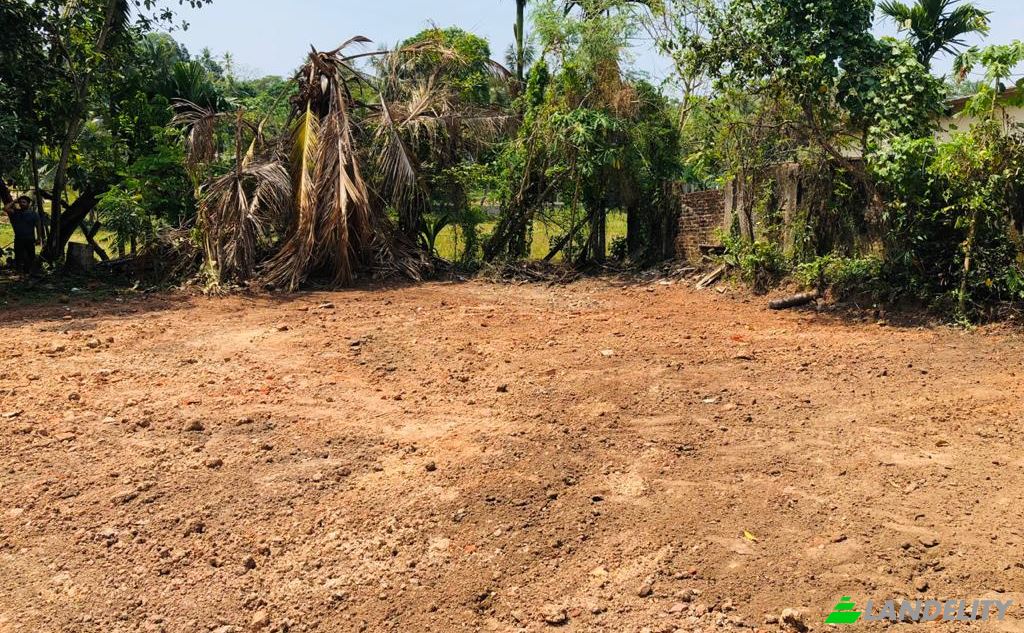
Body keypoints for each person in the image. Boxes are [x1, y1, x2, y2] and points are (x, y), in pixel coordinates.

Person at [4, 196, 40, 275]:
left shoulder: (34, 214)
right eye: (20, 202)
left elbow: (38, 227)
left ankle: (29, 271)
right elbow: (5, 208)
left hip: (30, 239)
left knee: (31, 256)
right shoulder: (16, 212)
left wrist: (38, 238)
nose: (21, 204)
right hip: (19, 239)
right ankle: (19, 272)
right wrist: (15, 201)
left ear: (28, 204)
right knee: (18, 256)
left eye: (24, 202)